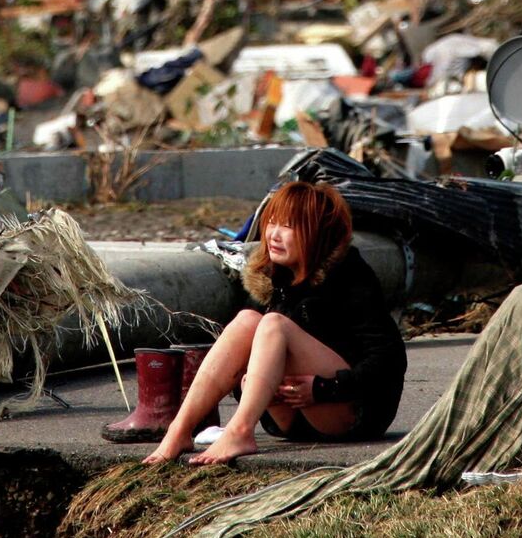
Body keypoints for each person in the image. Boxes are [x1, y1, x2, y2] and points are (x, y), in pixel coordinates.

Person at [143, 180, 406, 466]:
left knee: (274, 325)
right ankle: (179, 430)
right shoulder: (272, 279)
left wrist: (323, 388)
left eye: (289, 226)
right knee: (247, 321)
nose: (274, 235)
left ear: (318, 232)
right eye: (272, 223)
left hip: (349, 413)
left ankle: (240, 431)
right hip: (288, 421)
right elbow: (238, 363)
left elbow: (389, 360)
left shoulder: (351, 276)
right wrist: (247, 385)